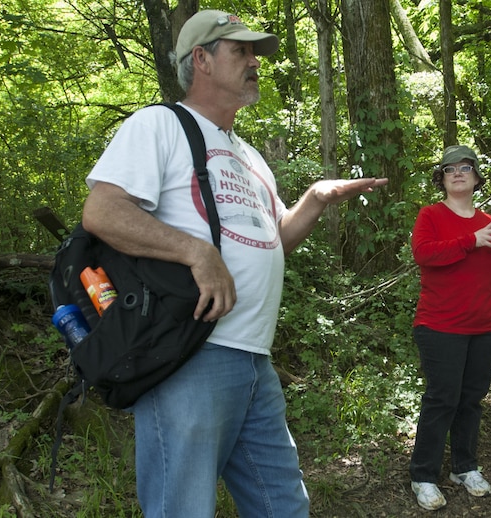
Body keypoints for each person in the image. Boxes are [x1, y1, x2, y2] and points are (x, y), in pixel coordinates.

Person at [81, 10, 387, 518]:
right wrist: (196, 252)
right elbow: (102, 211)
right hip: (190, 354)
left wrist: (313, 200)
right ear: (200, 59)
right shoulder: (160, 125)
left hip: (254, 360)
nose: (254, 62)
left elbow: (270, 243)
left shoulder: (250, 156)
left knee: (283, 507)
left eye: (254, 53)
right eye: (240, 51)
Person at [408, 145, 491, 511]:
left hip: (485, 326)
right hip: (440, 324)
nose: (457, 173)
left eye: (465, 168)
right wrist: (472, 241)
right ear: (442, 179)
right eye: (449, 169)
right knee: (442, 399)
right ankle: (423, 476)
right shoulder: (431, 215)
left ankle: (465, 467)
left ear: (476, 177)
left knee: (471, 401)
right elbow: (424, 254)